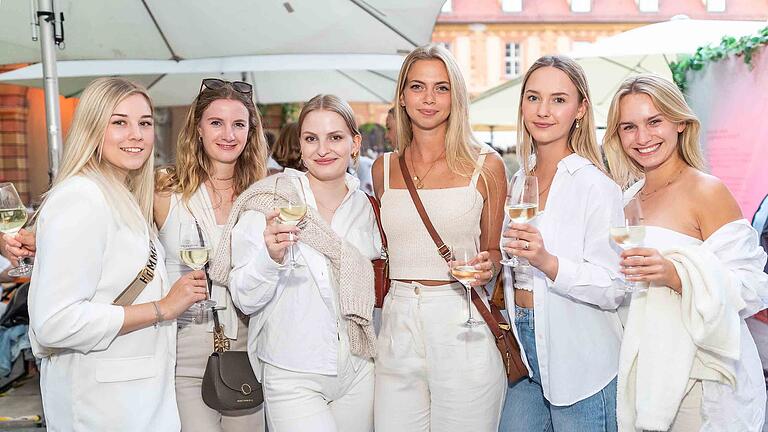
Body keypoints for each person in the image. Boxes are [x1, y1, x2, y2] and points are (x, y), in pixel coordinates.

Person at [20, 78, 207, 431]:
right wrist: (161, 309)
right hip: (101, 405)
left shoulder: (119, 193)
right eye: (119, 122)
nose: (136, 134)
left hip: (132, 400)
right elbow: (54, 323)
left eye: (145, 123)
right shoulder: (82, 197)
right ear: (93, 127)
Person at [604, 74, 768, 431]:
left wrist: (676, 274)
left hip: (702, 379)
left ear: (679, 123)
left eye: (654, 121)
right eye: (628, 127)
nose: (642, 138)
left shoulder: (707, 191)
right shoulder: (626, 200)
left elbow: (753, 286)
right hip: (646, 377)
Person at [213, 94, 380, 432]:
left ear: (354, 144)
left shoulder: (368, 208)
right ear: (300, 146)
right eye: (311, 139)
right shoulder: (270, 200)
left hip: (358, 368)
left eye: (335, 137)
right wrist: (270, 258)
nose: (323, 149)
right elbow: (244, 297)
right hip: (292, 372)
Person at [371, 44, 508, 431]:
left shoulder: (487, 165)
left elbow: (494, 250)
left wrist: (488, 265)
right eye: (418, 87)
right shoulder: (382, 169)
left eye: (442, 87)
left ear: (456, 96)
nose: (429, 98)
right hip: (397, 325)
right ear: (402, 95)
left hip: (461, 322)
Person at [499, 56, 625, 432]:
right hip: (524, 347)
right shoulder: (521, 178)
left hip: (581, 359)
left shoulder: (595, 186)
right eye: (533, 98)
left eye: (558, 99)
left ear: (581, 109)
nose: (543, 111)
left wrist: (548, 261)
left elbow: (613, 287)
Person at [154, 78, 268, 431]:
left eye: (238, 124)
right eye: (216, 123)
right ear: (198, 129)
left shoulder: (264, 195)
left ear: (250, 132)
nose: (228, 134)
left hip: (250, 350)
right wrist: (35, 235)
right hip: (184, 351)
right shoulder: (164, 191)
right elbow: (111, 228)